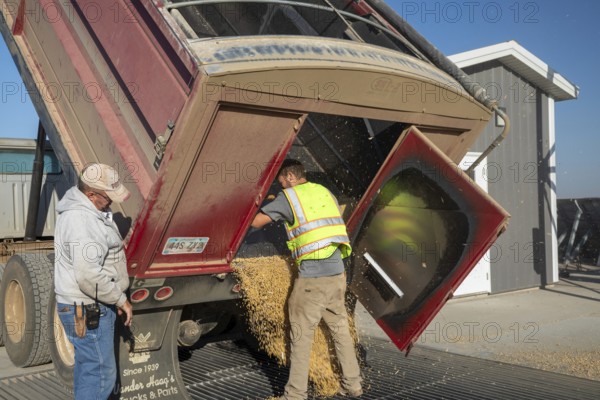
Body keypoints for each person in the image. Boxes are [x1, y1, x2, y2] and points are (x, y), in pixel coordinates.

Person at [251, 159, 363, 399]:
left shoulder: (288, 198)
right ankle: (353, 384)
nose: (280, 186)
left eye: (281, 181)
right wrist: (276, 203)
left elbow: (256, 222)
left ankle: (295, 395)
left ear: (291, 176)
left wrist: (263, 204)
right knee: (340, 329)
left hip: (312, 278)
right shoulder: (325, 192)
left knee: (301, 336)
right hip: (337, 273)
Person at [54, 163, 133, 400]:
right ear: (90, 194)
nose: (112, 202)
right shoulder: (82, 221)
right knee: (100, 373)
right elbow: (89, 275)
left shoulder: (85, 212)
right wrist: (120, 300)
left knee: (89, 368)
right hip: (87, 308)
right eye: (108, 197)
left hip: (84, 306)